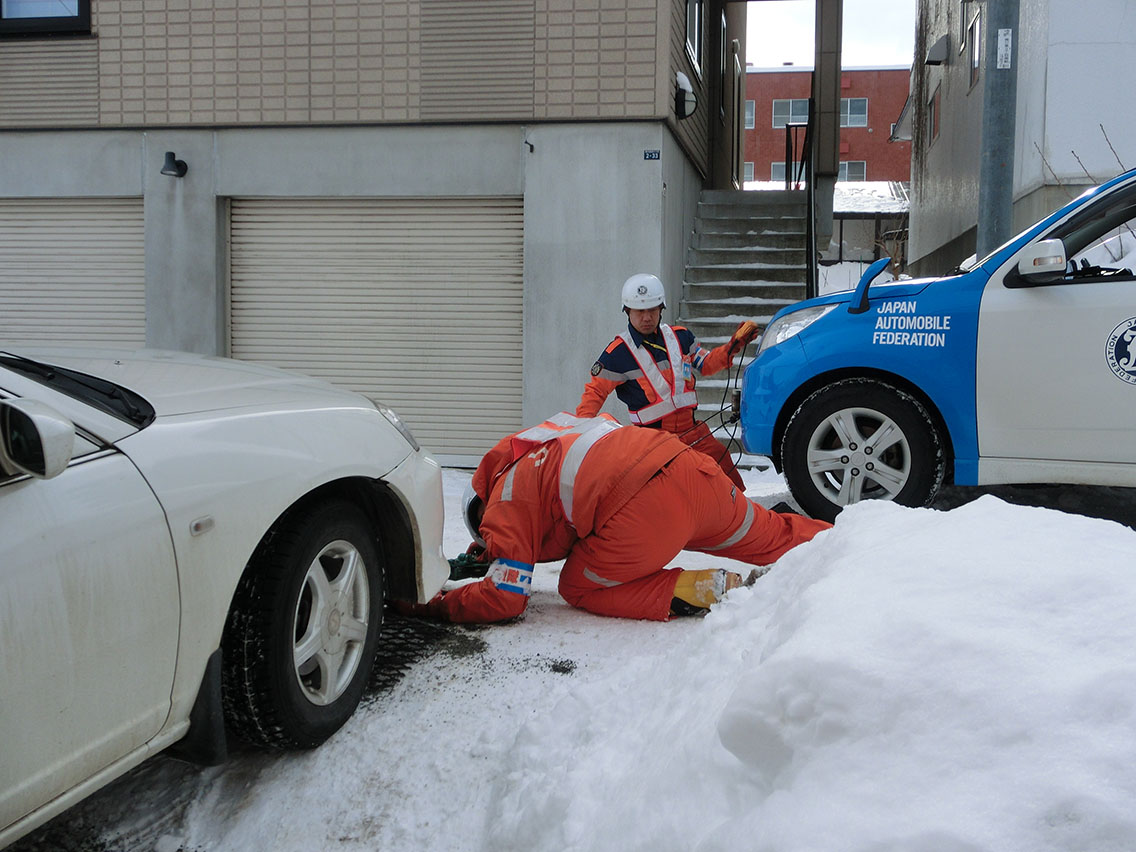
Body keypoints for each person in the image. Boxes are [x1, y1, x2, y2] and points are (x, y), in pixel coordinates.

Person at [404, 412, 830, 624]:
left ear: (481, 509)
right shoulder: (547, 440)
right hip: (691, 468)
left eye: (487, 535)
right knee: (775, 535)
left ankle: (704, 589)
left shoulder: (503, 500)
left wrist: (438, 606)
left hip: (643, 506)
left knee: (577, 585)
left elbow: (506, 597)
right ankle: (855, 543)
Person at [577, 273, 759, 490]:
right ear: (627, 311)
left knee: (726, 476)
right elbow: (594, 394)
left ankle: (737, 520)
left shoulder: (681, 337)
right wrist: (579, 436)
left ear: (661, 309)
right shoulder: (616, 354)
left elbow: (707, 364)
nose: (646, 317)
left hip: (693, 432)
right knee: (668, 492)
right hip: (651, 441)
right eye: (640, 311)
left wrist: (732, 347)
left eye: (652, 310)